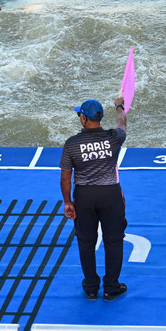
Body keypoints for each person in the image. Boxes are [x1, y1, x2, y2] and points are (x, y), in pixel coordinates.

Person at [59, 97, 129, 301]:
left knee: (86, 242)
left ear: (83, 118)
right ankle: (111, 287)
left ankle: (91, 288)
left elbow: (65, 177)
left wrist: (67, 202)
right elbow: (122, 122)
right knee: (114, 241)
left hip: (85, 196)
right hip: (110, 195)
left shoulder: (72, 144)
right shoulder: (115, 137)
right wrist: (119, 106)